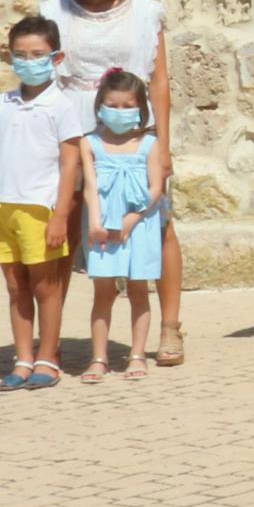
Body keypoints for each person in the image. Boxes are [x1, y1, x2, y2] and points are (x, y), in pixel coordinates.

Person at [41, 0, 184, 367]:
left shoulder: (144, 10)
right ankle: (51, 339)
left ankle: (169, 328)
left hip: (133, 128)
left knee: (156, 223)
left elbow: (158, 81)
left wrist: (160, 144)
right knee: (66, 226)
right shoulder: (55, 12)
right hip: (74, 127)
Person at [0, 17, 81, 391]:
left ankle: (48, 357)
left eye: (37, 54)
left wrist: (61, 214)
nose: (28, 61)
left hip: (40, 209)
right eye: (20, 55)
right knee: (15, 287)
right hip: (2, 206)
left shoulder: (61, 105)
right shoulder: (2, 104)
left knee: (45, 287)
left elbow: (70, 162)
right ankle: (22, 358)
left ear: (56, 58)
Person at [75, 69, 164, 382]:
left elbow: (156, 188)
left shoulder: (149, 143)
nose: (121, 111)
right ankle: (98, 357)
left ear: (140, 108)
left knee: (139, 290)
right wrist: (95, 222)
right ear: (100, 105)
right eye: (114, 105)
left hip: (140, 224)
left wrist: (131, 219)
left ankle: (137, 354)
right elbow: (89, 185)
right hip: (102, 227)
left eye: (128, 106)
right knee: (103, 292)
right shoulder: (90, 143)